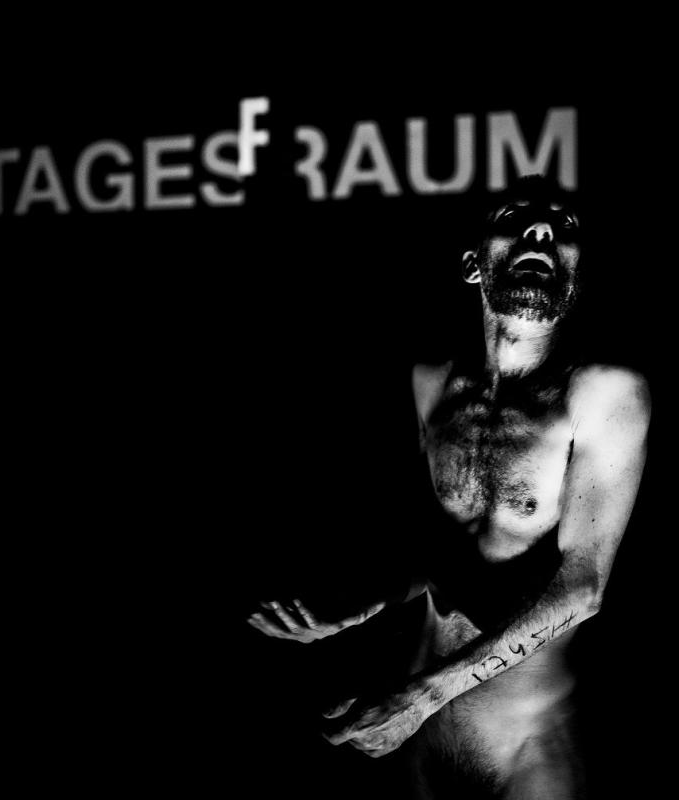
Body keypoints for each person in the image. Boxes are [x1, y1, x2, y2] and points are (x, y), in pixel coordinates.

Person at [248, 175, 650, 799]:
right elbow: (443, 553)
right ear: (472, 265)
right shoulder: (431, 383)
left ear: (576, 277)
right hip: (419, 736)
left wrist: (422, 696)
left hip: (525, 748)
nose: (540, 229)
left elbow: (584, 587)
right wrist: (363, 604)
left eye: (564, 226)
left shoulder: (603, 394)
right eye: (513, 217)